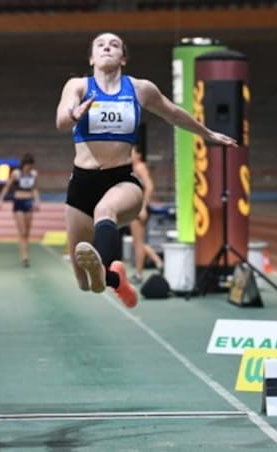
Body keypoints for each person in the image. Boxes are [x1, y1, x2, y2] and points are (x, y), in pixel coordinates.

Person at [55, 32, 236, 308]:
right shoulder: (78, 86)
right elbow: (60, 121)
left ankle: (104, 267)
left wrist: (207, 132)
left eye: (114, 45)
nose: (107, 47)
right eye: (100, 45)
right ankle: (118, 281)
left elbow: (173, 113)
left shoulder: (140, 89)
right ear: (91, 58)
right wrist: (73, 114)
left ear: (123, 58)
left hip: (121, 180)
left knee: (106, 211)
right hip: (81, 183)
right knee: (85, 284)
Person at [0, 153, 41, 267]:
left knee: (27, 232)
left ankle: (26, 254)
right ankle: (24, 257)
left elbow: (35, 189)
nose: (28, 168)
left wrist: (37, 201)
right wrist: (1, 200)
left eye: (30, 166)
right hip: (19, 203)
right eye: (27, 166)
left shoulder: (34, 174)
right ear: (23, 165)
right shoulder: (16, 174)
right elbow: (7, 186)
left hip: (28, 202)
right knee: (22, 232)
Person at [128, 145, 163, 284]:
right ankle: (158, 262)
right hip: (134, 208)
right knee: (138, 242)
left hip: (139, 209)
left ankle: (139, 274)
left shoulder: (140, 167)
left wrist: (143, 207)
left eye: (132, 152)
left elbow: (150, 186)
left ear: (138, 155)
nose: (129, 155)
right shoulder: (133, 169)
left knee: (138, 243)